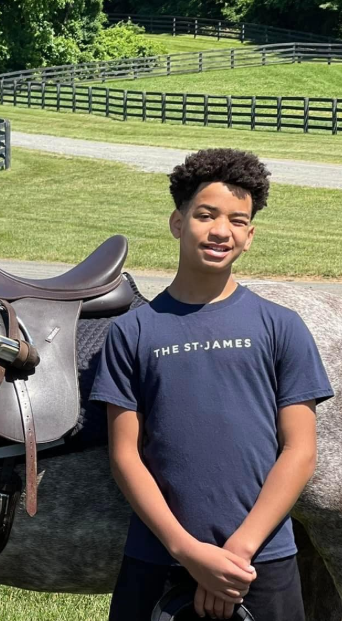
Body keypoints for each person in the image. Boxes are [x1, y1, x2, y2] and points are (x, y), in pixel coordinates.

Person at [89, 149, 333, 621]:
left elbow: (300, 452)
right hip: (160, 557)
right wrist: (190, 553)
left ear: (250, 235)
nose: (221, 230)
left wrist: (235, 555)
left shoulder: (281, 326)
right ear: (177, 223)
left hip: (260, 560)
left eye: (237, 221)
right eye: (205, 215)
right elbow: (124, 456)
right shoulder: (133, 331)